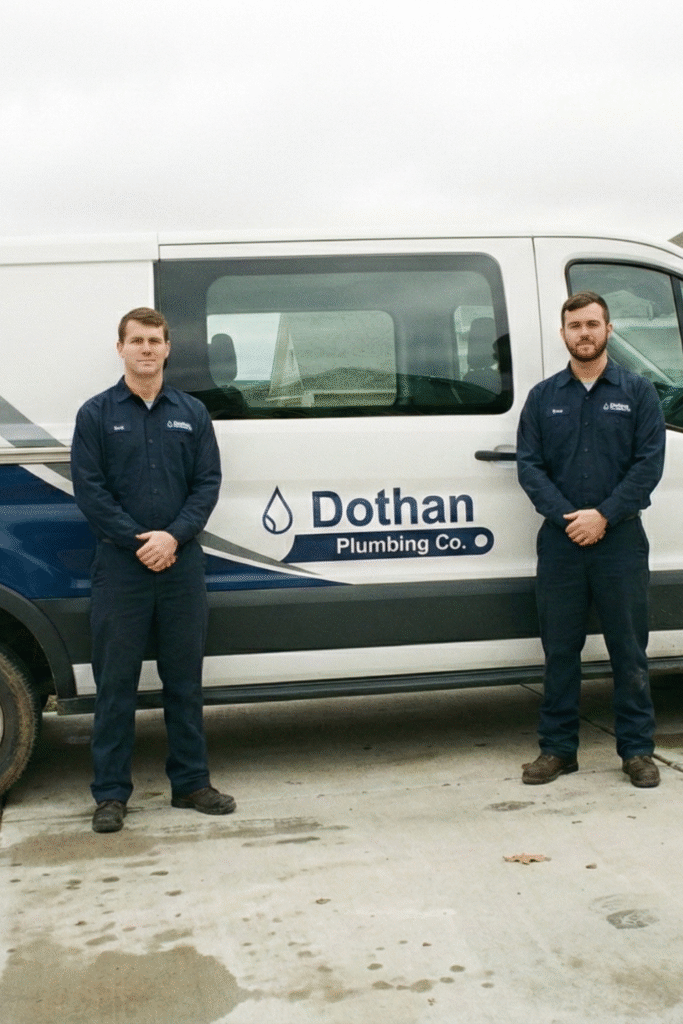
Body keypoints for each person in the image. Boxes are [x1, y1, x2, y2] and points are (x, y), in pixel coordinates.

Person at [71, 307, 236, 832]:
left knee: (184, 682)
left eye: (155, 341)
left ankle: (191, 783)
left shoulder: (192, 412)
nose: (146, 349)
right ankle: (110, 795)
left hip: (181, 564)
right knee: (115, 685)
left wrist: (173, 536)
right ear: (120, 348)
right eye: (137, 340)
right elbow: (90, 490)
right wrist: (138, 541)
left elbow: (207, 483)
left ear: (167, 349)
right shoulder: (95, 414)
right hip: (120, 568)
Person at [516, 291, 665, 788]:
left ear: (609, 330)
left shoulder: (638, 393)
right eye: (575, 325)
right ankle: (558, 750)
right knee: (560, 651)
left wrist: (603, 516)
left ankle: (637, 751)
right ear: (563, 333)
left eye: (593, 324)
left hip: (620, 540)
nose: (584, 333)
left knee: (629, 650)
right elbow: (530, 467)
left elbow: (648, 466)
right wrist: (569, 519)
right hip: (561, 544)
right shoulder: (543, 398)